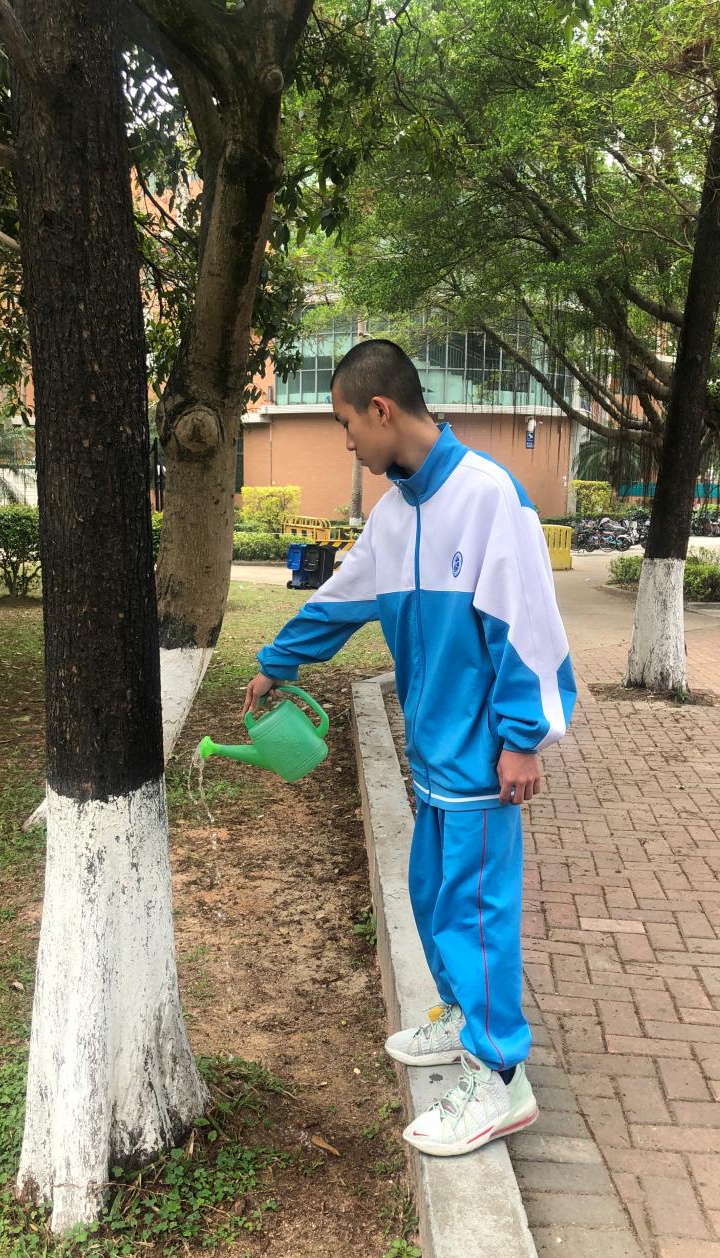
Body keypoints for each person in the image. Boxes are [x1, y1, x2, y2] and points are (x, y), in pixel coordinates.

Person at [243, 340, 576, 1157]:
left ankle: (501, 1079)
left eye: (347, 424)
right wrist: (275, 661)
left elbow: (528, 626)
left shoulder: (489, 497)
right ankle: (464, 1021)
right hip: (431, 761)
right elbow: (338, 601)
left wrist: (523, 739)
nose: (346, 441)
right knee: (432, 899)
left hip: (483, 762)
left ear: (382, 410)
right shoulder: (392, 518)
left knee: (476, 915)